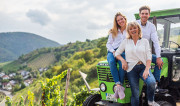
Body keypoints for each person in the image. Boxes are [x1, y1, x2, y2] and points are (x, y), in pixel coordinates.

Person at [115, 21, 159, 106]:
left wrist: (147, 69)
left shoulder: (144, 41)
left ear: (138, 29)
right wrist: (123, 60)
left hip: (143, 67)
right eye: (130, 29)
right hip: (131, 69)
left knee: (152, 82)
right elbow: (117, 53)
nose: (133, 30)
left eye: (134, 28)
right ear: (128, 31)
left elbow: (149, 56)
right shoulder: (126, 41)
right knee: (135, 93)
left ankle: (150, 101)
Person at [137, 6, 168, 93]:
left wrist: (158, 57)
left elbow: (156, 42)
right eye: (142, 13)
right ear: (140, 14)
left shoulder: (151, 26)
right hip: (135, 54)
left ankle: (155, 84)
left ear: (149, 15)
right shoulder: (134, 24)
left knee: (160, 61)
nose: (144, 15)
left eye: (146, 14)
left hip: (146, 53)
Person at [106, 12, 127, 99]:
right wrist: (113, 51)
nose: (120, 21)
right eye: (118, 20)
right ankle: (119, 85)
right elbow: (108, 44)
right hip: (113, 51)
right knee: (111, 61)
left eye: (121, 19)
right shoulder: (113, 31)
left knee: (123, 64)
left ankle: (118, 88)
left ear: (124, 19)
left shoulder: (129, 29)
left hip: (123, 51)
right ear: (116, 22)